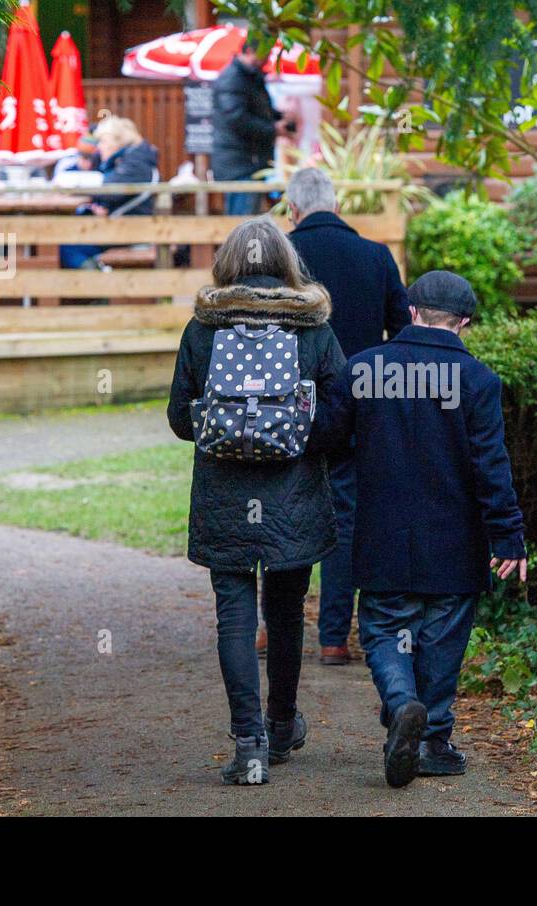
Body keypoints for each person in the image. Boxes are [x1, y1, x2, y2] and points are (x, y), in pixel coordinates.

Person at [322, 270, 527, 788]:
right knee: (442, 637)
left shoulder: (364, 369)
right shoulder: (479, 381)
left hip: (382, 536)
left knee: (385, 630)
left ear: (411, 312)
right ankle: (434, 740)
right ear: (464, 323)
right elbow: (490, 465)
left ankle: (401, 704)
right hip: (454, 543)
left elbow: (325, 437)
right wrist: (508, 536)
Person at [166, 217, 345, 786]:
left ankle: (249, 746)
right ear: (287, 262)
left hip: (224, 493)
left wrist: (227, 434)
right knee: (287, 614)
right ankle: (284, 724)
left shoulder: (204, 328)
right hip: (292, 495)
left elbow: (179, 418)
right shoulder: (312, 327)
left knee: (235, 619)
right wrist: (296, 442)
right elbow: (339, 416)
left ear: (228, 263)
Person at [286, 167, 411, 666]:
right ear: (337, 207)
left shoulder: (283, 258)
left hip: (290, 407)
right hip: (358, 408)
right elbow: (402, 330)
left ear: (293, 211)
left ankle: (274, 629)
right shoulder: (377, 256)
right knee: (343, 519)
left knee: (281, 514)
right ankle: (334, 639)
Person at [59, 116, 159, 269]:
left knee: (68, 246)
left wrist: (101, 202)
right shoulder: (130, 159)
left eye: (103, 142)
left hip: (129, 228)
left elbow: (109, 189)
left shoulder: (135, 164)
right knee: (64, 239)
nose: (99, 147)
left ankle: (98, 288)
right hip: (124, 225)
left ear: (117, 144)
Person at [211, 34, 289, 216]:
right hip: (239, 165)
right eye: (264, 54)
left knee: (248, 222)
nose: (268, 60)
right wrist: (273, 129)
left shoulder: (251, 78)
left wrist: (279, 117)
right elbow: (237, 119)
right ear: (249, 51)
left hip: (251, 162)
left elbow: (256, 110)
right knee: (242, 224)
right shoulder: (233, 79)